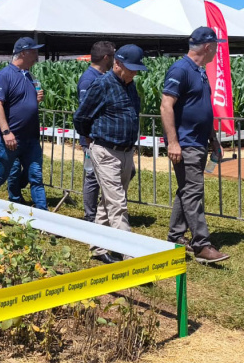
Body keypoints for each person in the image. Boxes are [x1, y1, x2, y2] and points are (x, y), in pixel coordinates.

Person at [162, 27, 231, 264]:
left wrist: (212, 139)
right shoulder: (181, 70)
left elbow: (202, 109)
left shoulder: (199, 71)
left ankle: (175, 236)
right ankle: (201, 244)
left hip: (198, 142)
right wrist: (173, 142)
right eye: (216, 46)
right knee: (194, 192)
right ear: (207, 47)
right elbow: (166, 106)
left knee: (186, 190)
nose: (217, 50)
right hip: (186, 143)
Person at [73, 44, 146, 264]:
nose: (134, 73)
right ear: (117, 64)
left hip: (125, 151)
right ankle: (130, 257)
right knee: (118, 205)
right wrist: (88, 138)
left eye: (136, 69)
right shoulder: (101, 85)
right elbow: (81, 116)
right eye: (130, 68)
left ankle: (98, 246)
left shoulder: (130, 85)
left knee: (109, 202)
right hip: (105, 151)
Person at [0, 37, 47, 210]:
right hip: (10, 138)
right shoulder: (5, 75)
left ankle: (45, 218)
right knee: (0, 176)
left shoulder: (28, 75)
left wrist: (35, 100)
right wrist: (6, 132)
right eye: (34, 51)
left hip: (31, 139)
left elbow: (21, 103)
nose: (37, 55)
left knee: (36, 177)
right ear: (24, 52)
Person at [77, 41, 115, 222]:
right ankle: (90, 215)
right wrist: (88, 137)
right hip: (91, 138)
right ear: (106, 57)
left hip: (100, 136)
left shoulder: (101, 76)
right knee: (92, 176)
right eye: (113, 56)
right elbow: (85, 111)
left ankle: (101, 210)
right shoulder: (89, 79)